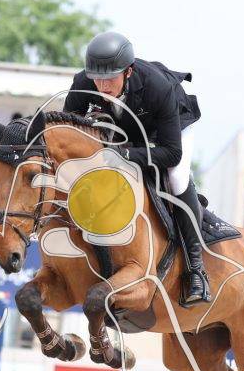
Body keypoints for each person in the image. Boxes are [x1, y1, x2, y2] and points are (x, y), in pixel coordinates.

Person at [61, 31, 210, 306]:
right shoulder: (83, 84)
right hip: (124, 132)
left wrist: (124, 154)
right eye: (97, 78)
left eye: (110, 78)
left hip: (167, 132)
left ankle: (196, 269)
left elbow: (171, 153)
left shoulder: (157, 87)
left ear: (128, 71)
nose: (102, 86)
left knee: (177, 177)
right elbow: (68, 133)